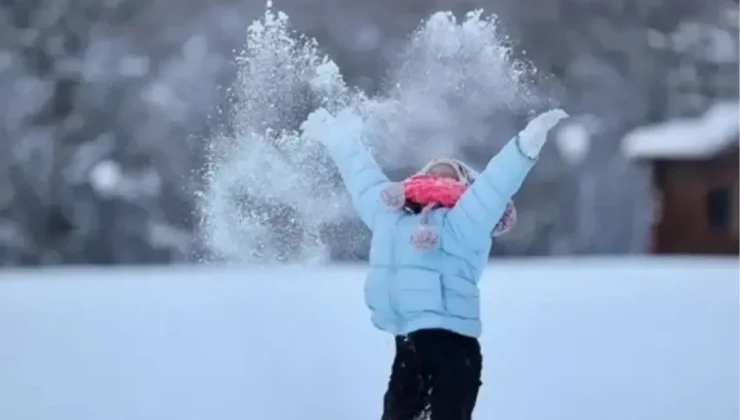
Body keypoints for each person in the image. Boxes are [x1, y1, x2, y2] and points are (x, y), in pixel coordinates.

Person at [302, 107, 568, 420]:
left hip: (454, 350)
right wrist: (339, 139)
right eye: (433, 173)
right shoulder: (390, 215)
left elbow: (495, 185)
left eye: (450, 175)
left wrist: (524, 147)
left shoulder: (466, 220)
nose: (439, 179)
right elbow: (363, 179)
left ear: (467, 187)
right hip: (408, 345)